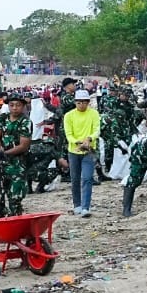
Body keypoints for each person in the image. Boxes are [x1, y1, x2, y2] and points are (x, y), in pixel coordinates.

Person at [0, 95, 33, 217]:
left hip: (17, 163)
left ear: (23, 107)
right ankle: (0, 219)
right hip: (0, 162)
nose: (15, 108)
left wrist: (5, 153)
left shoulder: (25, 122)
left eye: (18, 105)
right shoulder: (2, 118)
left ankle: (14, 221)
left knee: (15, 197)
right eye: (12, 105)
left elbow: (23, 145)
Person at [61, 89, 100, 217]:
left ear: (88, 102)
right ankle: (77, 204)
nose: (81, 104)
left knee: (87, 178)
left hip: (88, 150)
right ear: (75, 102)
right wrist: (78, 142)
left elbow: (96, 131)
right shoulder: (69, 116)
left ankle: (85, 207)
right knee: (75, 179)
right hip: (74, 151)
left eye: (84, 102)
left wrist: (89, 139)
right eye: (79, 102)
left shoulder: (94, 114)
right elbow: (69, 135)